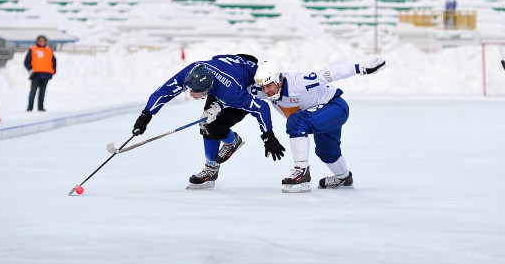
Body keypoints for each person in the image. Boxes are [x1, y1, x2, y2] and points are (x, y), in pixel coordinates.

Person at [132, 54, 286, 189]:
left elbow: (261, 108)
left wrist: (268, 137)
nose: (191, 94)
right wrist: (146, 115)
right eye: (189, 89)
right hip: (229, 69)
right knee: (206, 123)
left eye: (195, 92)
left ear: (208, 88)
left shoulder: (233, 93)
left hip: (243, 84)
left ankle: (232, 142)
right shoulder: (193, 70)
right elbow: (164, 91)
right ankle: (210, 168)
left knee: (216, 126)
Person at [251, 56, 386, 193]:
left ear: (279, 80)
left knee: (296, 122)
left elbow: (328, 73)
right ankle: (344, 177)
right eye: (263, 87)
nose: (266, 91)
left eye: (269, 86)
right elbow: (238, 90)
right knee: (326, 152)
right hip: (319, 115)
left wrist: (360, 67)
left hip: (335, 107)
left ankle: (301, 171)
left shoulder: (297, 83)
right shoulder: (263, 91)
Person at [24, 34, 56, 112]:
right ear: (37, 41)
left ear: (45, 42)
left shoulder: (49, 50)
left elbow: (54, 61)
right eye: (40, 41)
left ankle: (40, 107)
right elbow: (26, 62)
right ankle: (30, 107)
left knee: (42, 92)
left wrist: (53, 71)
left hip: (46, 74)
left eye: (43, 41)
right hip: (36, 74)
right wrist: (30, 69)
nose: (42, 42)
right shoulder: (33, 49)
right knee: (33, 92)